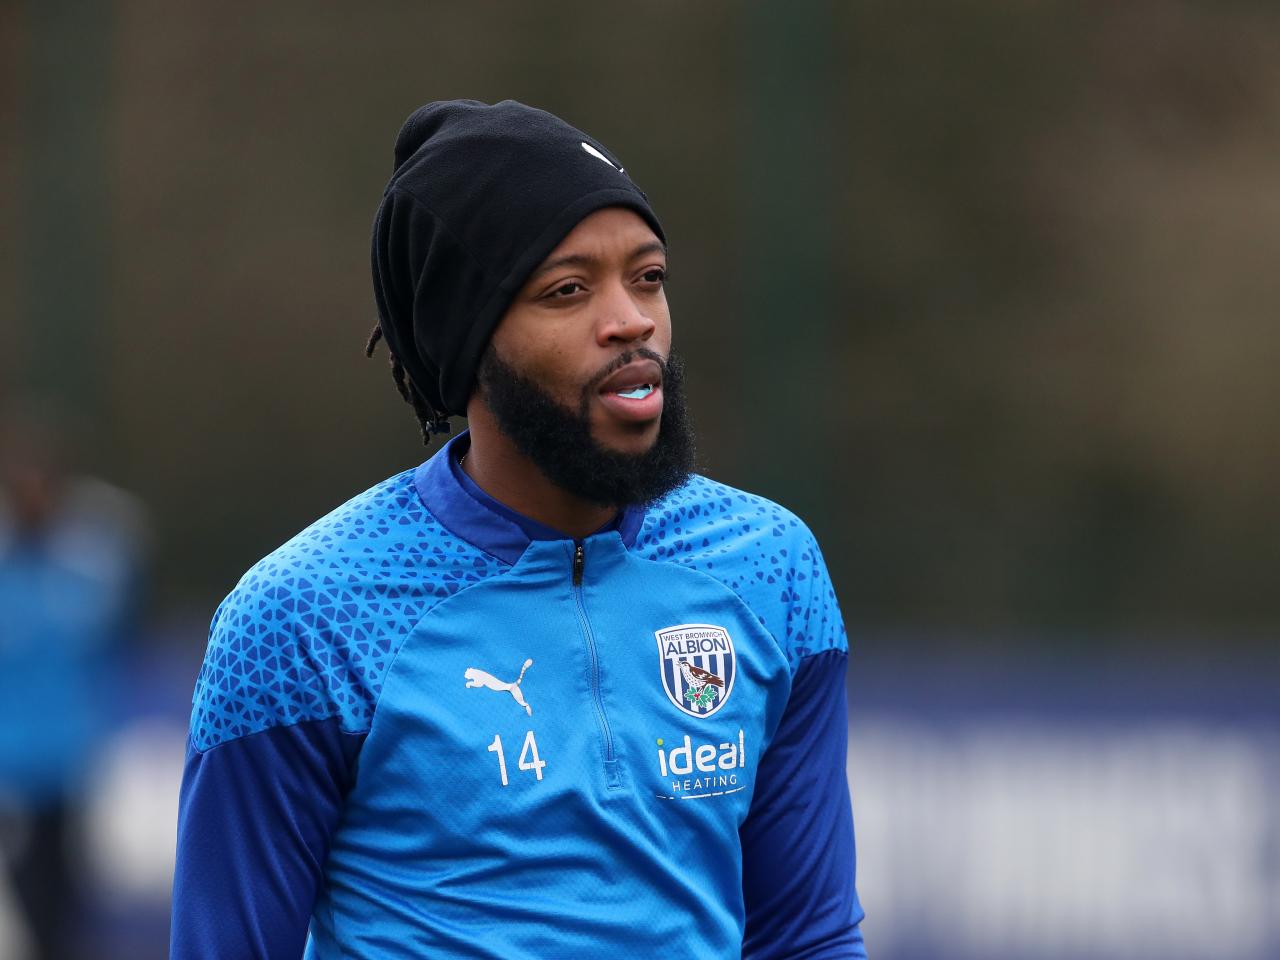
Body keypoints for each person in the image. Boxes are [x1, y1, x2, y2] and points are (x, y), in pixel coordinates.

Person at [170, 99, 867, 959]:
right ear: (467, 343)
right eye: (568, 291)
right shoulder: (303, 617)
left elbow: (808, 936)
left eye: (647, 277)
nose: (632, 320)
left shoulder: (770, 566)